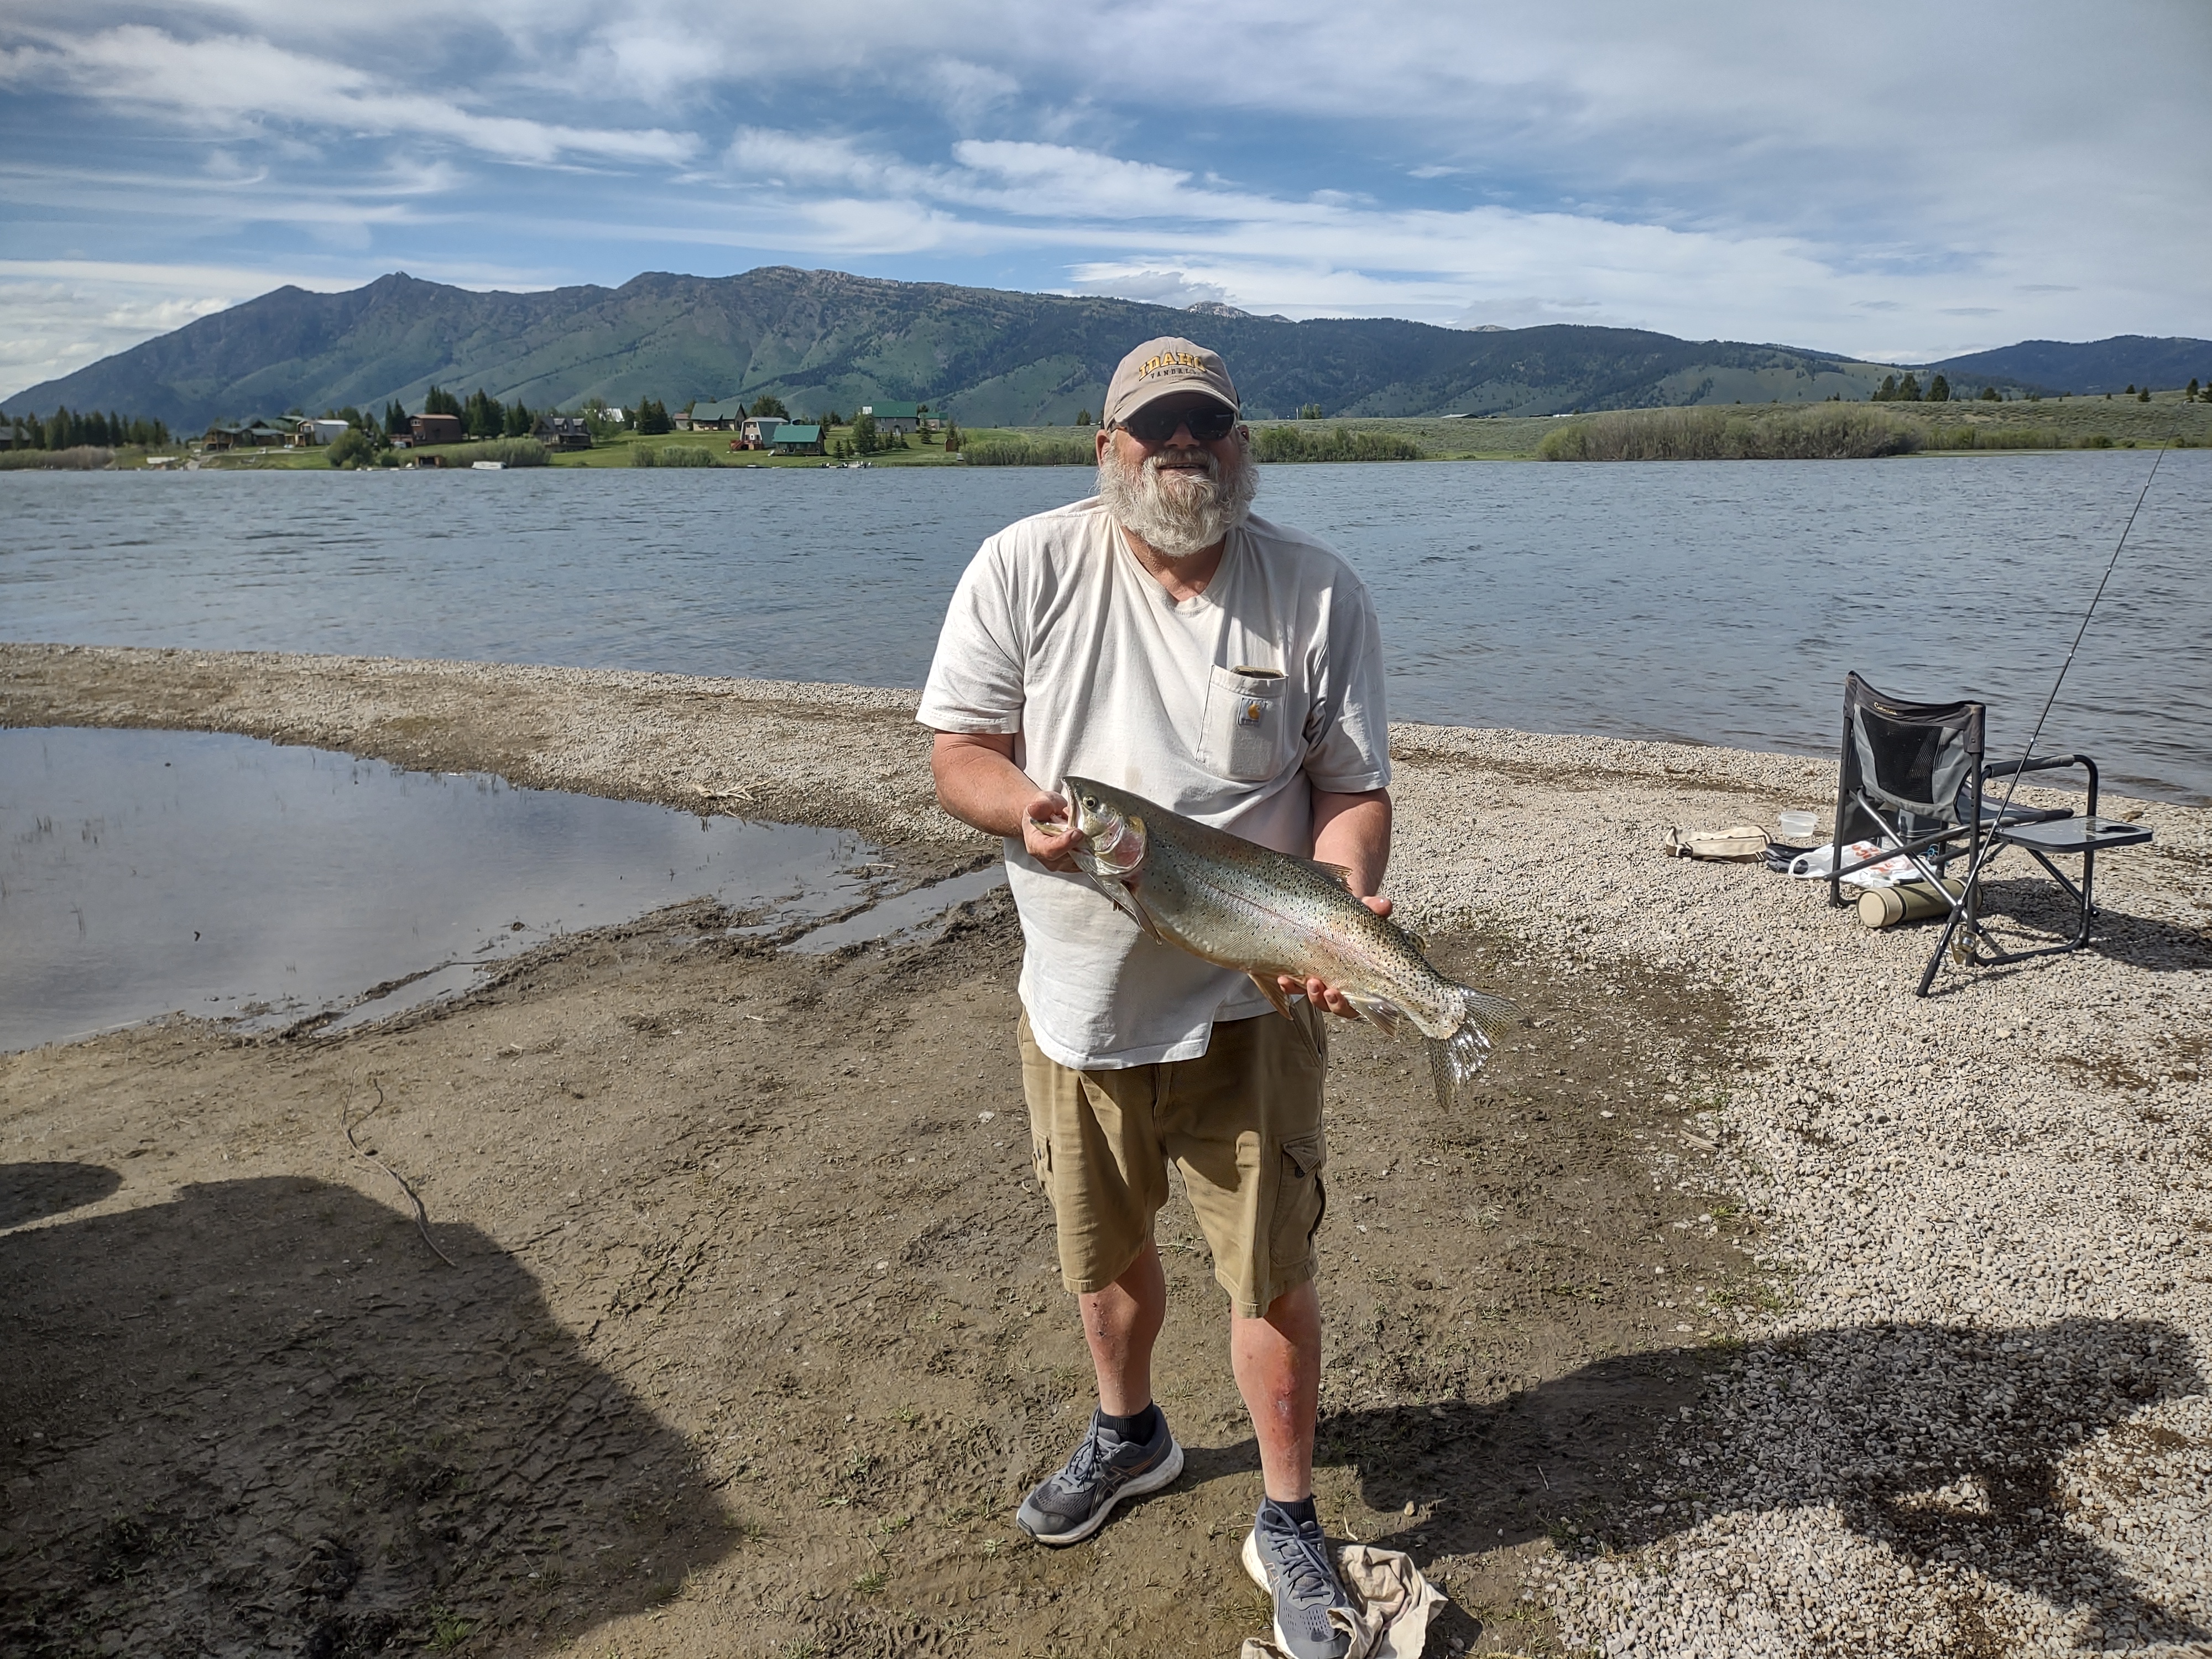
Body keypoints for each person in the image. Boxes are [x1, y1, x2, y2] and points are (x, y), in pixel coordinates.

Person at [918, 338, 1391, 1659]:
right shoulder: (1022, 566)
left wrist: (1341, 910)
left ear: (1240, 447)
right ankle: (1130, 1436)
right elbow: (958, 754)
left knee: (1269, 1272)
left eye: (1206, 428)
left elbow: (1352, 794)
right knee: (1103, 1256)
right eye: (1154, 430)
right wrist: (1029, 813)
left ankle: (1287, 1514)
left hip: (1259, 1008)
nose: (1182, 449)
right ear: (1105, 447)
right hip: (1076, 1006)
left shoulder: (1313, 589)